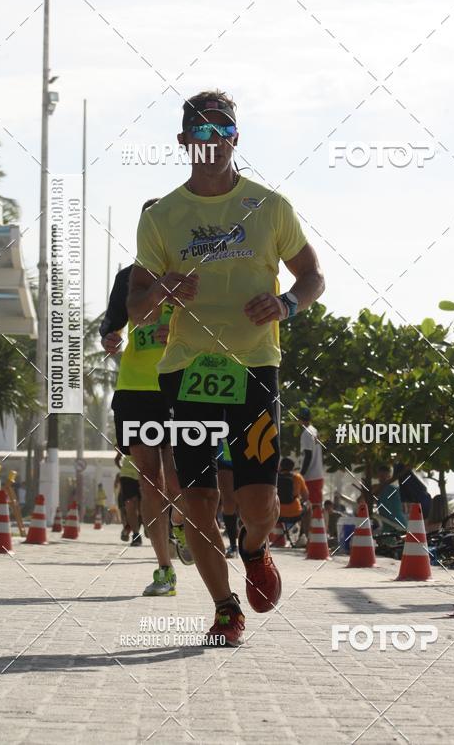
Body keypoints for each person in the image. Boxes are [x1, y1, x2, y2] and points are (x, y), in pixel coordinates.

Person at [127, 90, 325, 645]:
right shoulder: (162, 217)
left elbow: (312, 277)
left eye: (222, 131)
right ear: (183, 141)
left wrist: (286, 304)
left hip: (254, 366)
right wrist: (162, 289)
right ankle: (224, 607)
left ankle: (255, 548)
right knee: (199, 499)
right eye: (200, 131)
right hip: (187, 370)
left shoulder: (270, 206)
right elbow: (136, 306)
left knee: (259, 503)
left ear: (236, 138)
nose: (211, 142)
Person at [101, 199, 189, 596]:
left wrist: (181, 334)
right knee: (150, 481)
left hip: (180, 385)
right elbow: (112, 323)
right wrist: (111, 337)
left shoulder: (193, 272)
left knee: (178, 480)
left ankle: (182, 525)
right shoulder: (128, 277)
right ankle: (164, 570)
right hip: (136, 388)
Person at [277, 457, 308, 542]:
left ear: (280, 466)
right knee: (309, 508)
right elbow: (306, 497)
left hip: (277, 514)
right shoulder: (297, 477)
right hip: (295, 513)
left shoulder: (275, 477)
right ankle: (304, 536)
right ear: (292, 468)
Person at [115, 452, 142, 545]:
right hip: (128, 476)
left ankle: (145, 529)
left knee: (143, 508)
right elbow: (117, 458)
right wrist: (122, 470)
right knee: (130, 507)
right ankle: (136, 535)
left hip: (147, 475)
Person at [299, 407, 323, 506]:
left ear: (300, 419)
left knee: (311, 506)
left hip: (310, 476)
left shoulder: (306, 433)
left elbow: (308, 455)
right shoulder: (314, 430)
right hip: (318, 474)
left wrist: (301, 474)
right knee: (316, 505)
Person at [217, 440, 238, 558]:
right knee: (228, 501)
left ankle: (254, 544)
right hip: (224, 447)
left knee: (246, 501)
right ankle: (233, 545)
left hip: (246, 444)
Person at [372, 465, 407, 533]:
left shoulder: (394, 489)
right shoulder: (377, 489)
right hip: (388, 524)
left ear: (390, 476)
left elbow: (404, 508)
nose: (382, 478)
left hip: (397, 524)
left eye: (384, 476)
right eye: (381, 476)